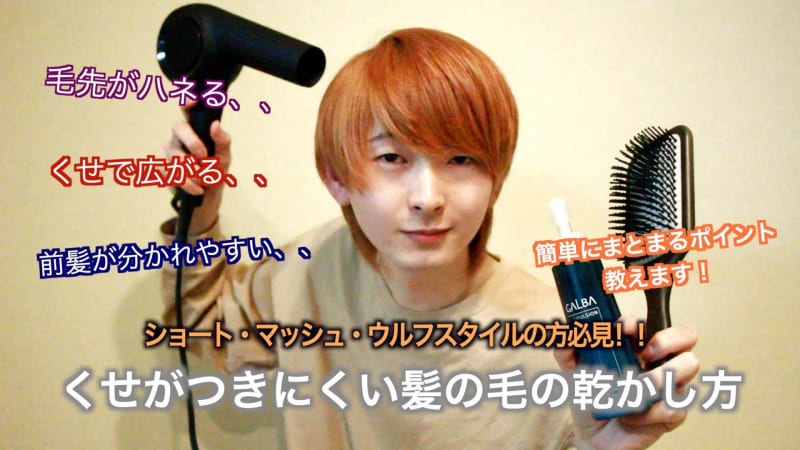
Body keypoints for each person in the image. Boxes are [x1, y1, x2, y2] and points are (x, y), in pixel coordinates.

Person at [160, 28, 699, 449]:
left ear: (496, 180)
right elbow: (202, 331)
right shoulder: (304, 273)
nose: (427, 197)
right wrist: (201, 212)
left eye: (460, 159)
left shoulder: (563, 346)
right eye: (391, 157)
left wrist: (599, 446)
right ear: (336, 177)